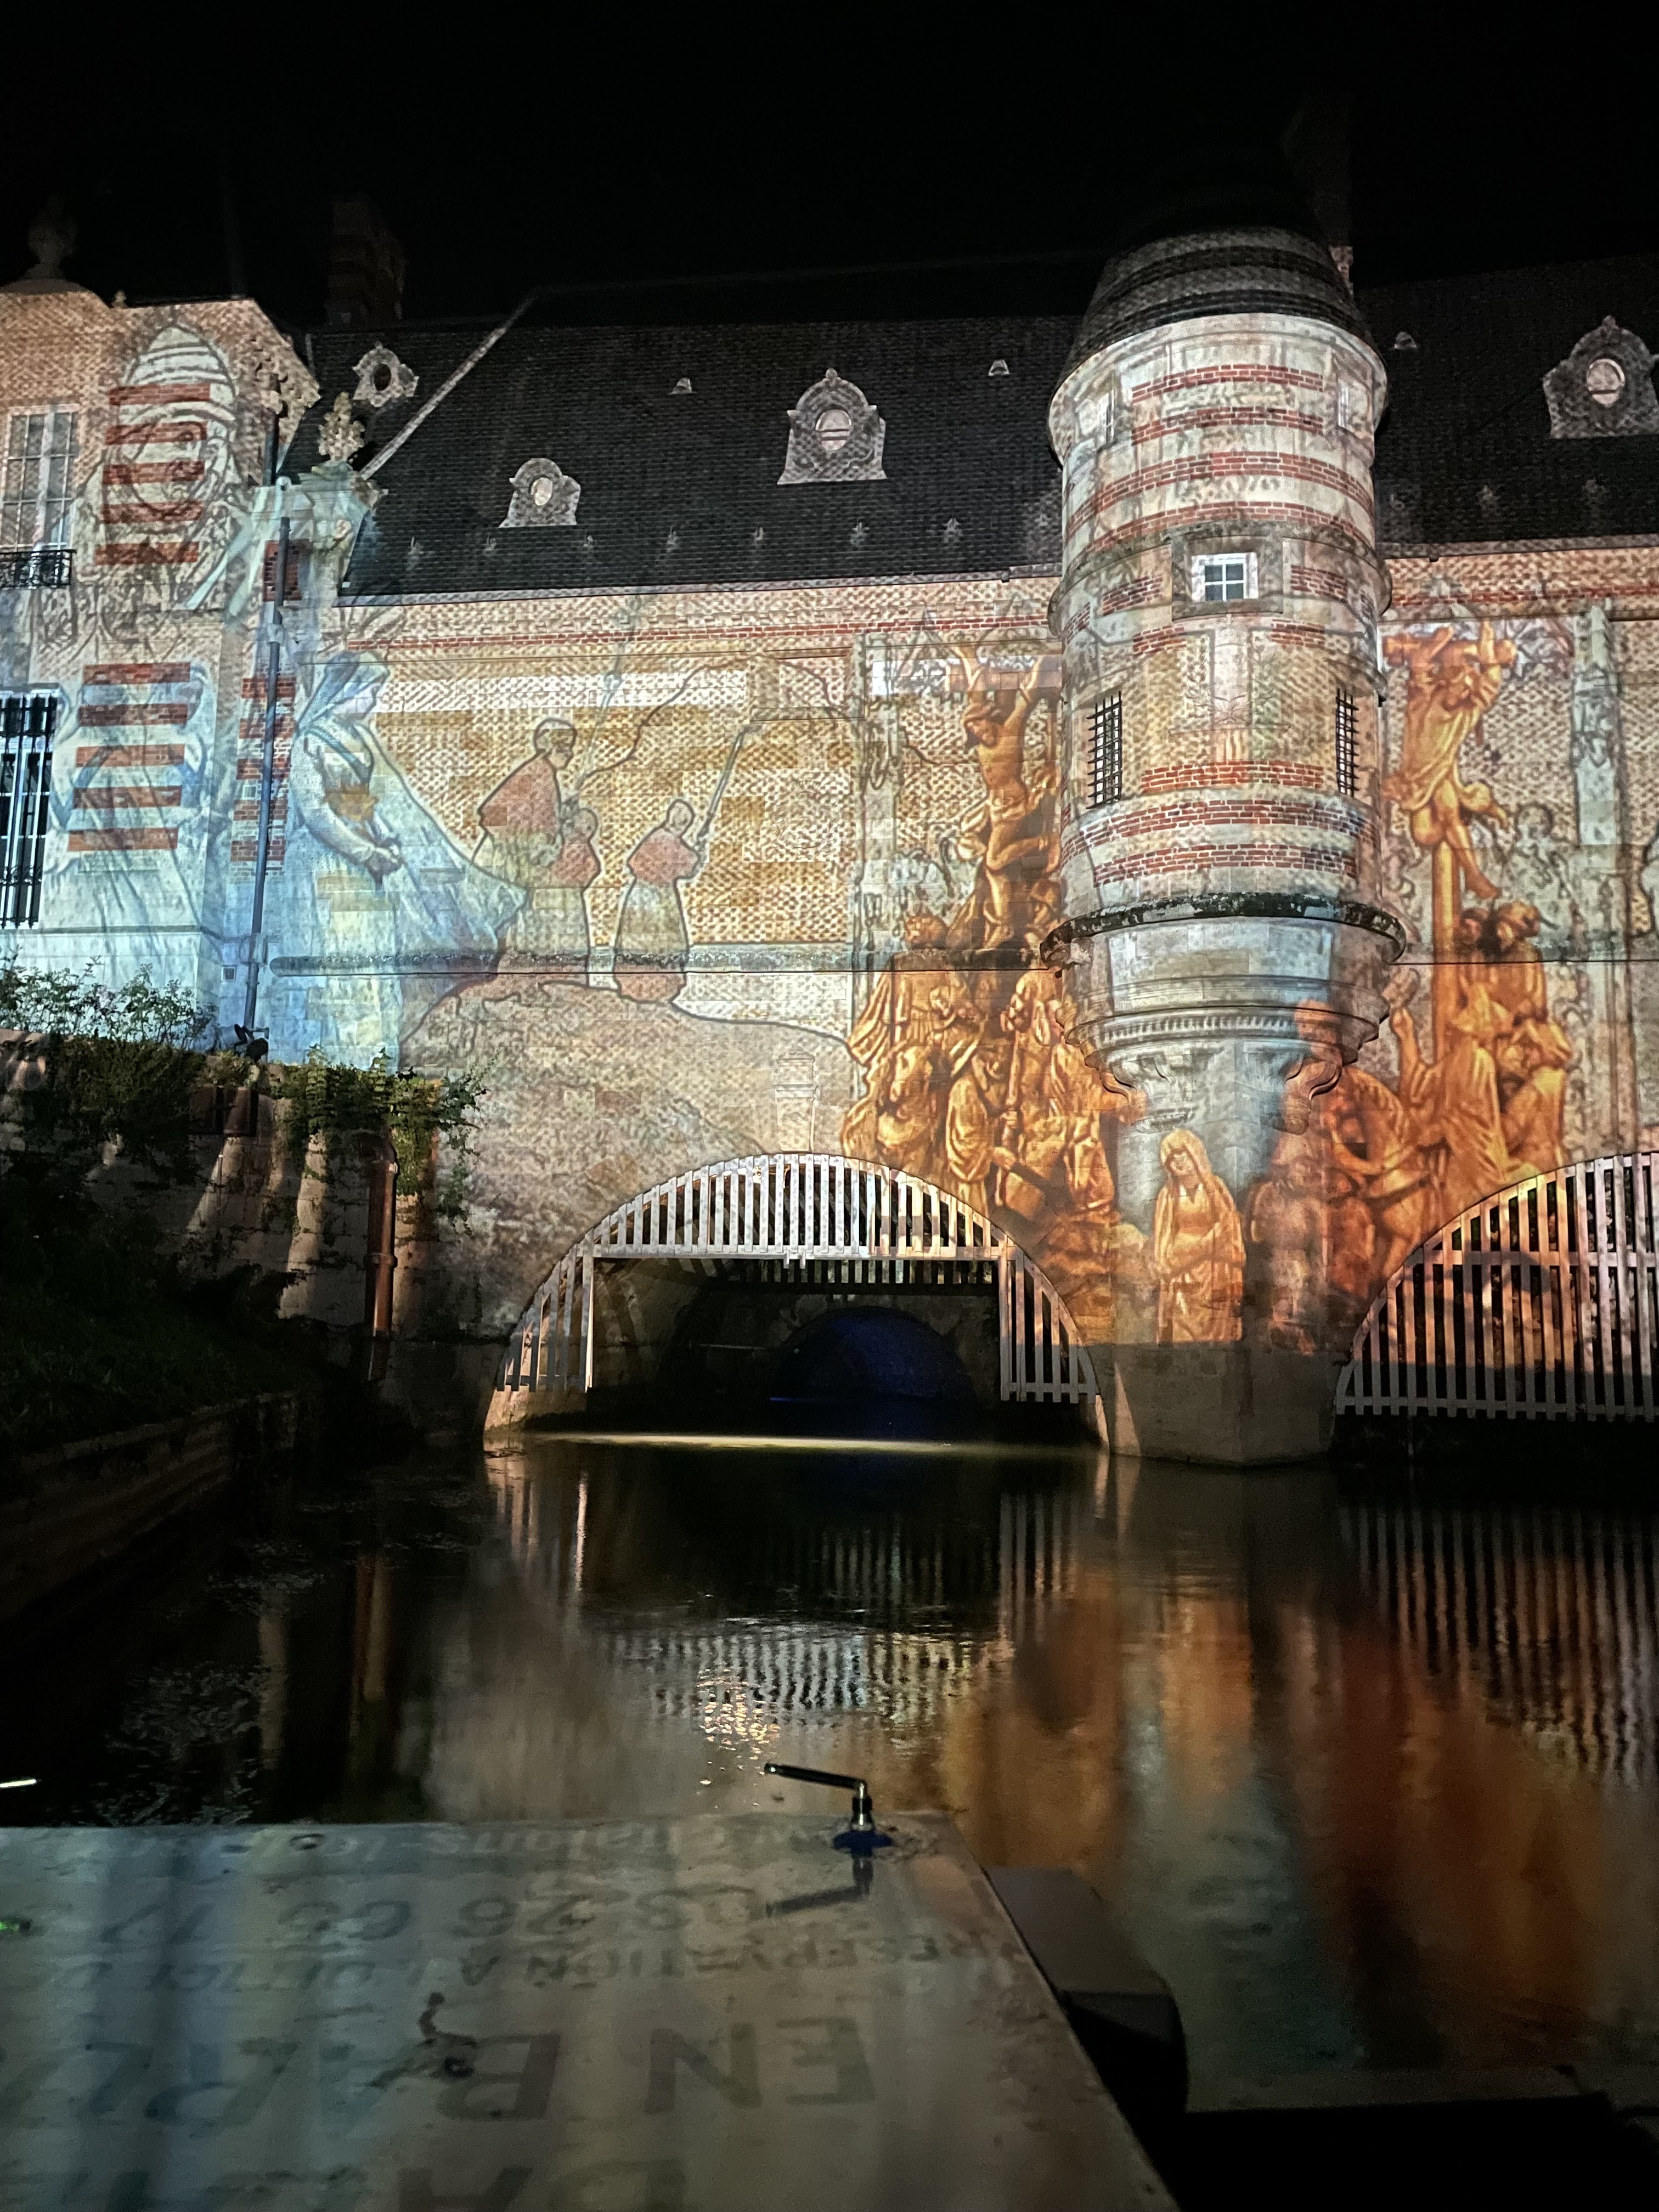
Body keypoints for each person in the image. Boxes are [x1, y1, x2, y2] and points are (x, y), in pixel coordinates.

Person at [1153, 1129, 1245, 1344]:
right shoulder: (1168, 1195)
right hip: (1184, 1275)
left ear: (1194, 1153)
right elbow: (1164, 1242)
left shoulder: (1215, 1187)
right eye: (1171, 1158)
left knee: (1217, 1337)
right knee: (1184, 1333)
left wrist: (1212, 1243)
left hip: (1214, 1274)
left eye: (1182, 1153)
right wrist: (1197, 1248)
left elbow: (1229, 1227)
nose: (1178, 1161)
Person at [614, 798, 702, 1003]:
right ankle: (655, 989)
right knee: (659, 944)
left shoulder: (656, 836)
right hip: (659, 898)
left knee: (639, 942)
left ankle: (637, 988)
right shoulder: (670, 841)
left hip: (639, 896)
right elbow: (688, 867)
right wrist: (699, 852)